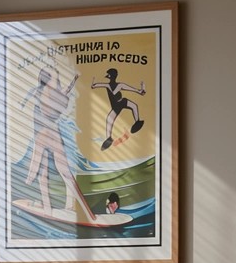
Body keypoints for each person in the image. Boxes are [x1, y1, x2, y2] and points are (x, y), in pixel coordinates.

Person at [21, 68, 79, 212]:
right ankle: (49, 207)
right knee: (45, 172)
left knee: (48, 172)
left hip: (47, 134)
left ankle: (55, 206)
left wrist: (75, 79)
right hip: (45, 134)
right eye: (56, 79)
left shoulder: (46, 93)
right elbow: (58, 102)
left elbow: (64, 93)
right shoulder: (45, 94)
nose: (58, 83)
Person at [91, 68, 145, 150]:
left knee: (134, 106)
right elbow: (94, 86)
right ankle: (108, 138)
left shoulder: (119, 85)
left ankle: (137, 122)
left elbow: (138, 91)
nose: (109, 77)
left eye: (109, 75)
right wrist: (93, 82)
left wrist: (142, 88)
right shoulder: (108, 85)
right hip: (116, 106)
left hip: (122, 102)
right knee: (109, 119)